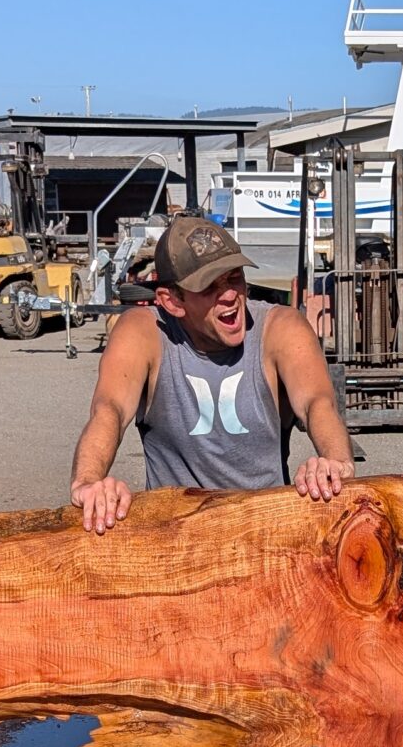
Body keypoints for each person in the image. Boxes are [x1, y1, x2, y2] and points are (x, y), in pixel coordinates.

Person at [69, 214, 353, 534]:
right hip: (177, 532)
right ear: (173, 301)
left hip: (266, 528)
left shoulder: (280, 328)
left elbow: (318, 403)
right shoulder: (143, 332)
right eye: (210, 287)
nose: (229, 295)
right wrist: (89, 482)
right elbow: (109, 409)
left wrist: (334, 462)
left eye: (234, 278)